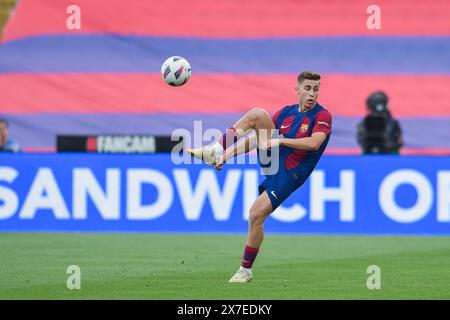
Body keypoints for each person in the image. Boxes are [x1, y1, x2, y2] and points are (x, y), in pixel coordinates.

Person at [186, 71, 332, 282]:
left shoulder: (322, 115)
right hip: (274, 161)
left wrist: (280, 141)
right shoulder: (285, 113)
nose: (312, 94)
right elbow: (258, 140)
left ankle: (245, 270)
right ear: (297, 89)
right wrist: (227, 156)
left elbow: (314, 143)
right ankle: (217, 149)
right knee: (258, 115)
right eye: (307, 88)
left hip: (291, 172)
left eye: (316, 89)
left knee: (255, 215)